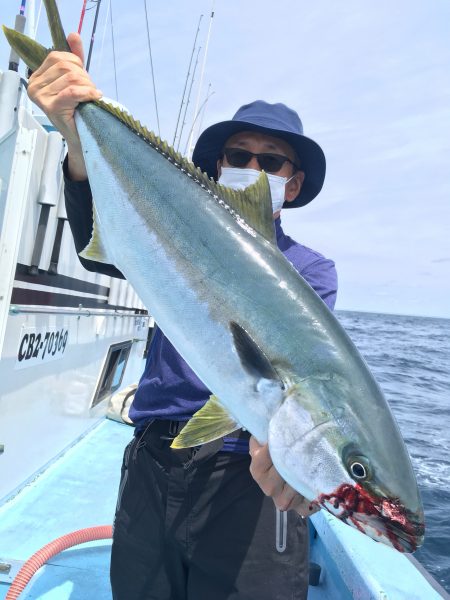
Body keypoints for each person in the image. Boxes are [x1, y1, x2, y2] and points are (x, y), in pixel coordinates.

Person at [28, 33, 337, 600]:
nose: (251, 167)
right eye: (238, 156)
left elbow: (301, 385)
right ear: (218, 167)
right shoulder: (172, 234)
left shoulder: (309, 274)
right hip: (152, 461)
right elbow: (103, 244)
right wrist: (78, 142)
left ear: (291, 183)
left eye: (270, 161)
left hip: (246, 479)